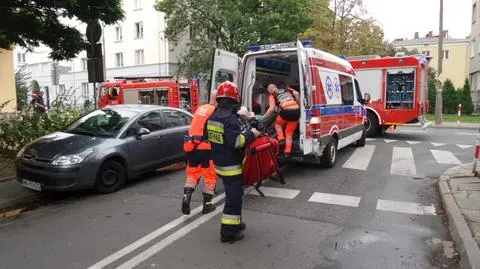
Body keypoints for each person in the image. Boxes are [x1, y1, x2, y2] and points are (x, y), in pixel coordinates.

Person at [207, 81, 261, 243]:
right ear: (234, 99)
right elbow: (237, 142)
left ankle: (235, 224)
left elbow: (209, 135)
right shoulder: (230, 120)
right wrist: (251, 133)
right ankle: (228, 232)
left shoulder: (213, 116)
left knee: (234, 196)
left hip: (219, 163)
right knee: (234, 199)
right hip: (231, 166)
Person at [182, 91, 219, 215]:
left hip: (192, 146)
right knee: (210, 176)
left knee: (192, 175)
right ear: (218, 100)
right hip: (206, 148)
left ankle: (186, 197)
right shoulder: (215, 111)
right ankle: (207, 205)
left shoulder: (201, 108)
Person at [263, 84, 300, 156]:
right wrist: (298, 105)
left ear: (270, 90)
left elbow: (272, 109)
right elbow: (297, 93)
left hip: (286, 112)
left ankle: (281, 139)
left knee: (278, 124)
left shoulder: (272, 95)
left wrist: (263, 117)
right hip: (296, 112)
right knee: (289, 132)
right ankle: (287, 152)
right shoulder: (287, 88)